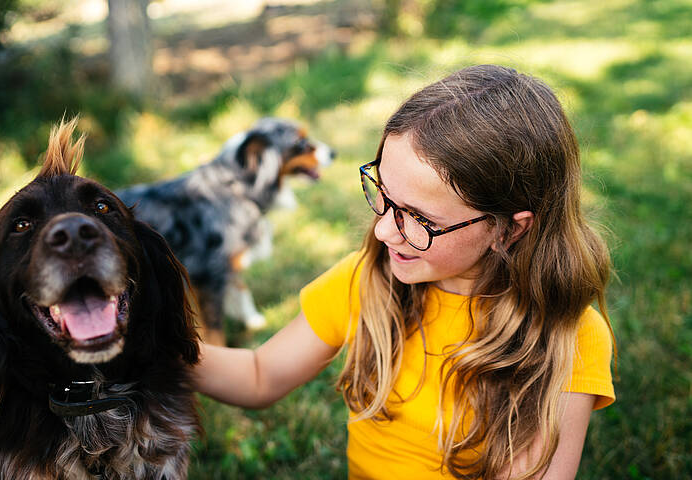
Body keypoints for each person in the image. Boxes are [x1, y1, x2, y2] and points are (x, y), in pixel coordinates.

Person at [192, 64, 616, 479]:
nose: (382, 230)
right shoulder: (368, 277)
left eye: (420, 218)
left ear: (509, 229)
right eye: (385, 195)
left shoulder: (567, 337)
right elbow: (260, 376)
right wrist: (148, 345)